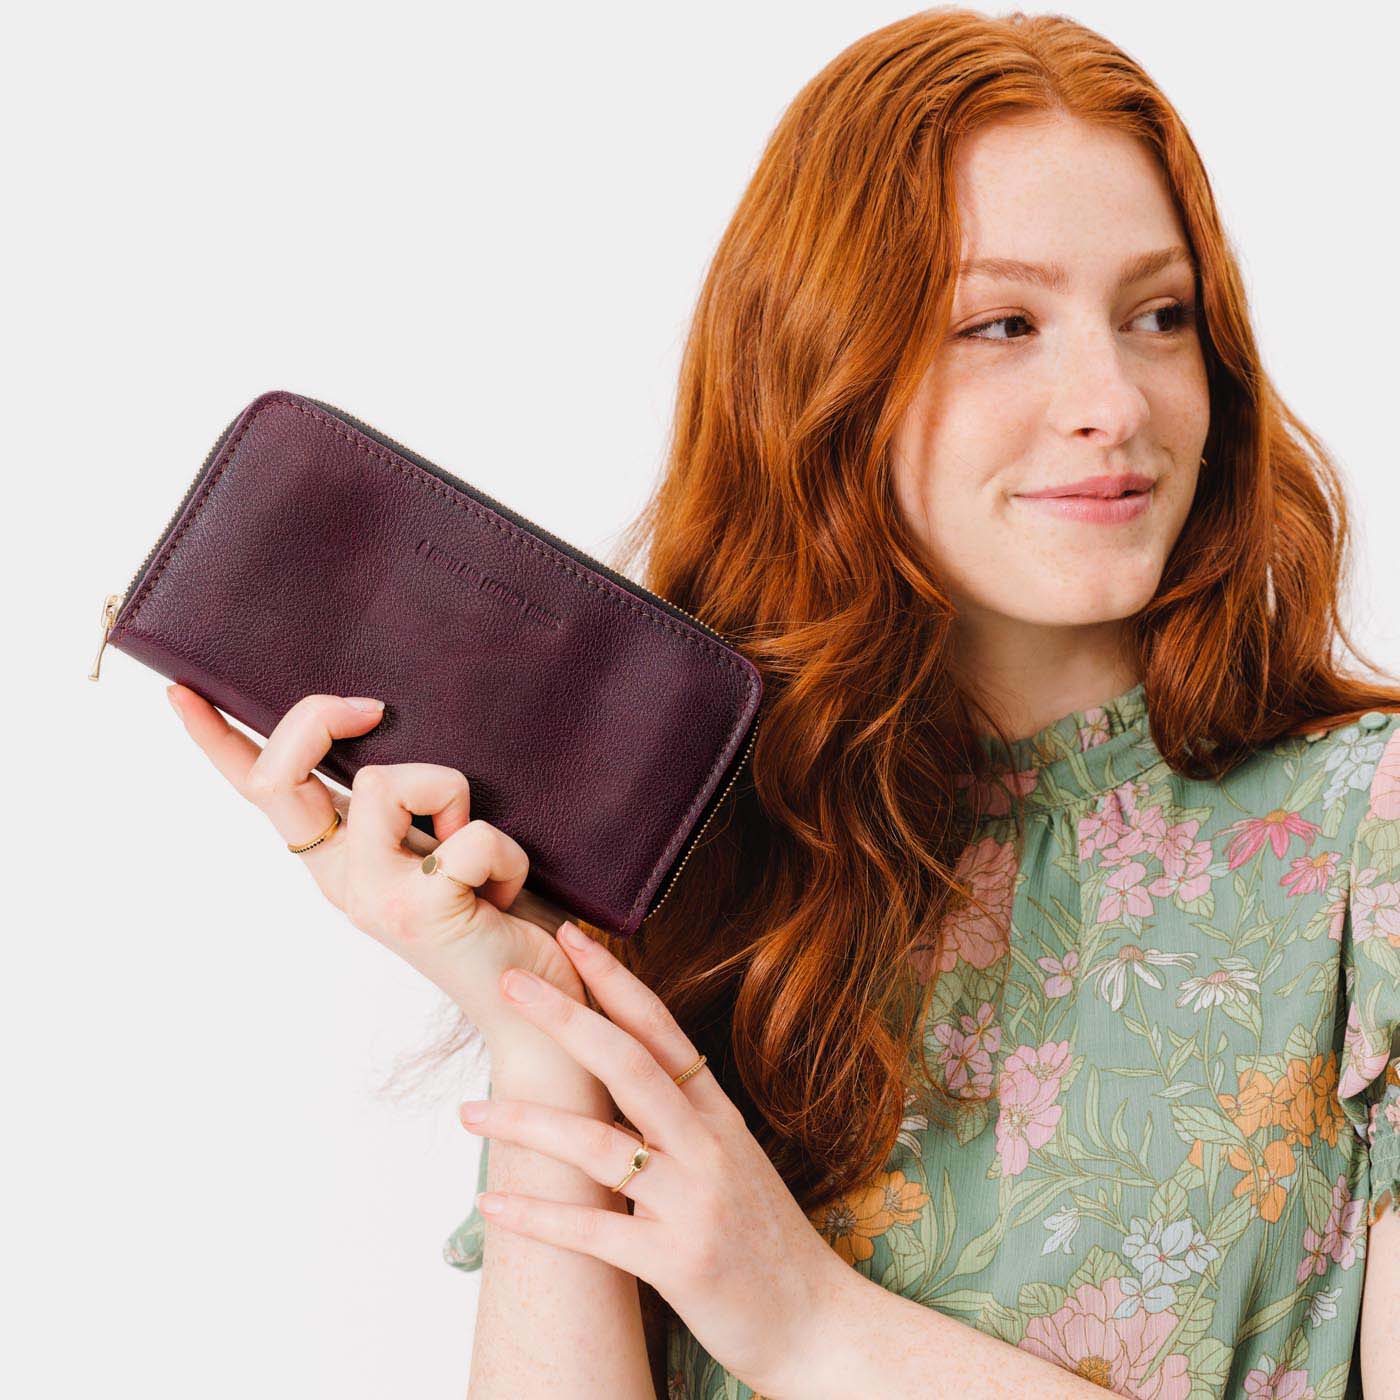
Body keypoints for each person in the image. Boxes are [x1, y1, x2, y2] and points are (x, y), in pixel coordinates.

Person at [168, 8, 1400, 1398]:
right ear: (821, 372)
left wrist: (809, 1322)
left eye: (1159, 316)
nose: (1112, 401)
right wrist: (538, 1024)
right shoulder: (703, 873)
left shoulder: (1367, 837)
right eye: (1001, 323)